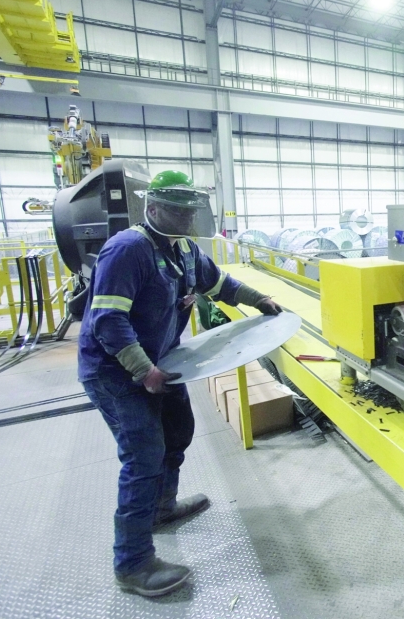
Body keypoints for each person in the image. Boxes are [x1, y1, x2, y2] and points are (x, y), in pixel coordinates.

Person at [78, 170, 281, 597]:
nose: (187, 218)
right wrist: (143, 370)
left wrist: (258, 300)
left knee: (177, 434)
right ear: (152, 209)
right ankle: (132, 564)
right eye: (177, 210)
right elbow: (107, 319)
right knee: (143, 457)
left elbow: (219, 283)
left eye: (190, 210)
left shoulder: (184, 249)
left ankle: (161, 509)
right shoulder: (128, 250)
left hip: (162, 362)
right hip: (117, 372)